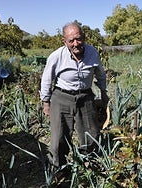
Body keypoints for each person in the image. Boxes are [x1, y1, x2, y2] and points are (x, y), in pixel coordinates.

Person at [39, 22, 109, 168]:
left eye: (78, 39)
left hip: (85, 97)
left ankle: (88, 164)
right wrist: (46, 102)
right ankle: (59, 168)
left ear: (83, 37)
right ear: (65, 41)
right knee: (59, 136)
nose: (75, 43)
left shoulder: (92, 53)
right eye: (71, 41)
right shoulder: (57, 56)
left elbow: (100, 74)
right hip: (61, 97)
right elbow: (46, 79)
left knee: (90, 133)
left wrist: (103, 92)